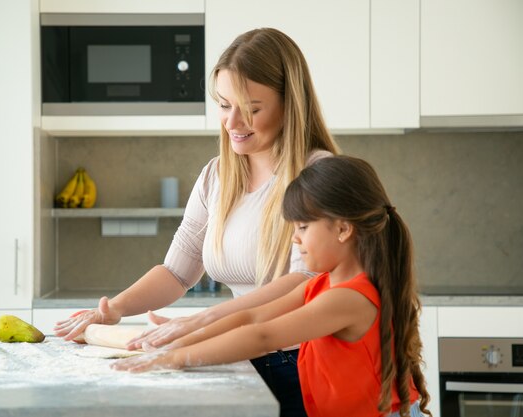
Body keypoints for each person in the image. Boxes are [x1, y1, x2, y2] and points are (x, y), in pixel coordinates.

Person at [55, 27, 338, 417]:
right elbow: (176, 271)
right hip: (241, 358)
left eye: (252, 108)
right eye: (224, 105)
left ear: (291, 104)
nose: (233, 122)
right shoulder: (217, 177)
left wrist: (202, 323)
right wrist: (115, 309)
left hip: (302, 365)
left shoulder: (319, 176)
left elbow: (305, 284)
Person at [111, 155, 432, 417]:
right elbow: (252, 317)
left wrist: (173, 359)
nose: (295, 238)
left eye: (303, 226)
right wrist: (176, 342)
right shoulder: (321, 285)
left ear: (344, 229)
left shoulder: (349, 299)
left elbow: (262, 336)